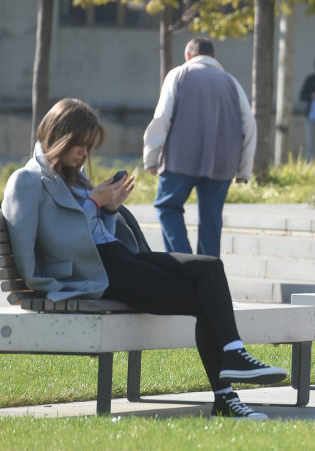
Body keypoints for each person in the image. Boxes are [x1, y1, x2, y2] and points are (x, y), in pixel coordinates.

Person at [2, 99, 286, 420]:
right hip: (94, 272)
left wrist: (108, 210)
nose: (84, 153)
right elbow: (43, 242)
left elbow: (96, 232)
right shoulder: (26, 181)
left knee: (209, 267)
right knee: (203, 299)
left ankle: (234, 355)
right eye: (78, 145)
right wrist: (94, 204)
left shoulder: (75, 178)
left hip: (116, 257)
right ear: (58, 137)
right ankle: (226, 395)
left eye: (88, 146)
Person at [143, 36, 255, 257]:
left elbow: (162, 117)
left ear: (187, 56)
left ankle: (183, 263)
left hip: (180, 159)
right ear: (213, 57)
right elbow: (249, 124)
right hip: (222, 162)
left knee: (168, 207)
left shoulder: (179, 75)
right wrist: (244, 170)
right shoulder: (231, 81)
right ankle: (207, 273)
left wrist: (151, 157)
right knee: (211, 219)